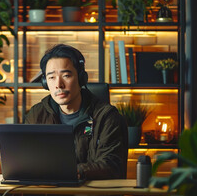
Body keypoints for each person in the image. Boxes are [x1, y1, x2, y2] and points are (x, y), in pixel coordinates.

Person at [25, 44, 128, 180]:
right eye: (51, 77)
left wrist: (70, 171)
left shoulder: (106, 117)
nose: (59, 85)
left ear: (81, 78)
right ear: (45, 83)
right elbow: (27, 161)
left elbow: (112, 166)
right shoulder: (37, 114)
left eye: (66, 75)